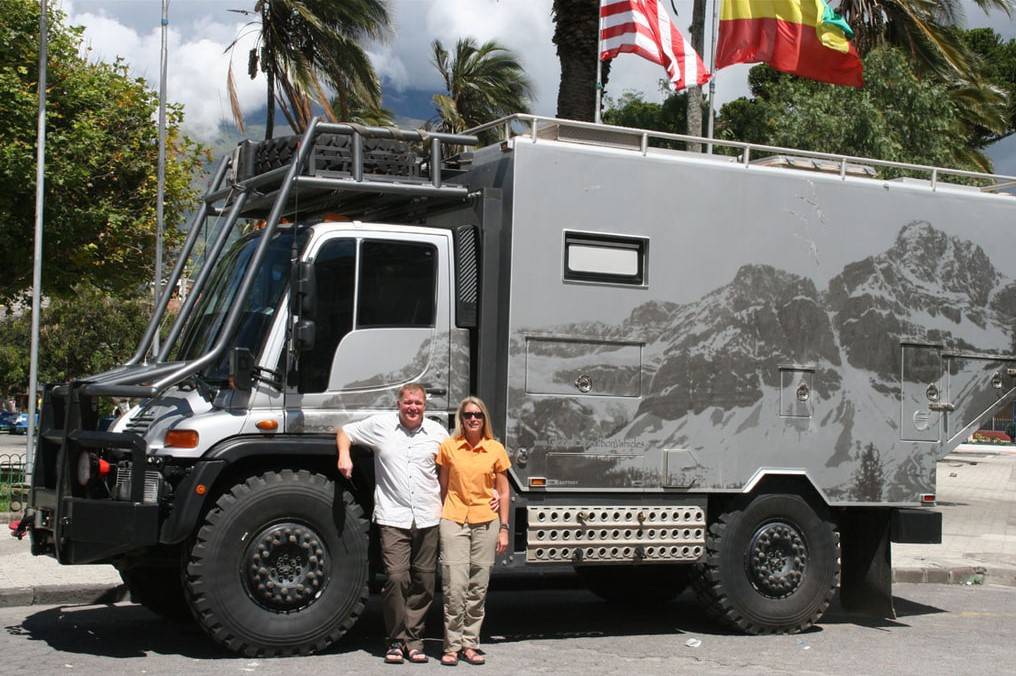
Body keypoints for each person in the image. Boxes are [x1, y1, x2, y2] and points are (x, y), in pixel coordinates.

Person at [336, 382, 447, 665]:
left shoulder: (437, 432)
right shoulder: (380, 426)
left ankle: (415, 639)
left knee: (424, 580)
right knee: (397, 578)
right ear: (398, 404)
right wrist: (344, 455)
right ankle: (396, 640)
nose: (413, 407)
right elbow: (344, 432)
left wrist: (492, 489)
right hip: (392, 517)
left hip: (428, 516)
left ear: (425, 405)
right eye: (408, 402)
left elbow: (456, 466)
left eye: (418, 403)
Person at [437, 396, 511, 667]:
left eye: (478, 415)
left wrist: (503, 528)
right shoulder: (449, 447)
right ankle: (451, 646)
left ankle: (470, 644)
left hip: (486, 522)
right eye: (468, 414)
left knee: (477, 588)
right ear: (461, 418)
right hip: (455, 520)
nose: (473, 419)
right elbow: (443, 487)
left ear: (484, 419)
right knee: (454, 587)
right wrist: (443, 516)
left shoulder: (495, 449)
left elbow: (503, 492)